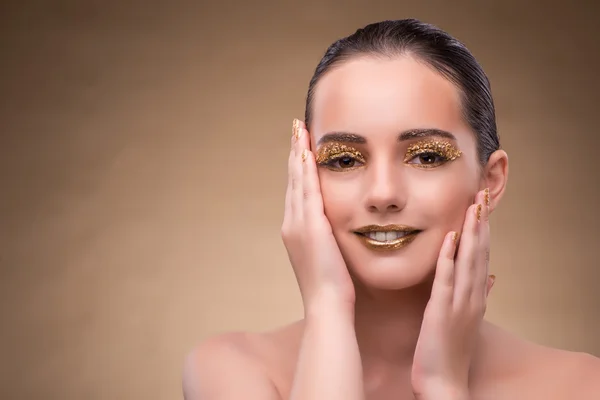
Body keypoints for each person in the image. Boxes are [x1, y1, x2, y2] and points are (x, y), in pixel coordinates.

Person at [182, 19, 600, 399]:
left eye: (427, 156)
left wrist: (444, 387)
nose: (383, 193)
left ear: (490, 179)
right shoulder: (233, 370)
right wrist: (327, 305)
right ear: (305, 175)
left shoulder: (580, 385)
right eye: (345, 159)